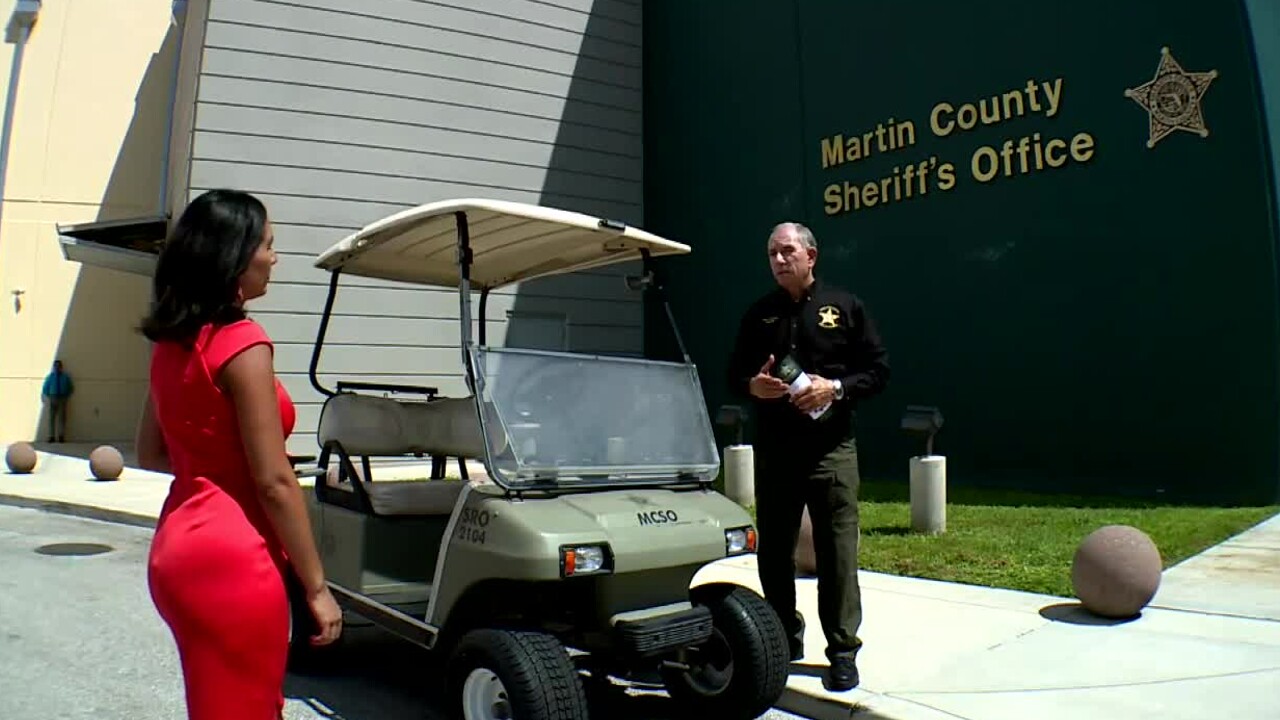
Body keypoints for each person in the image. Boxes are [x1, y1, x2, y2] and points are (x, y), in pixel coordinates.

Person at [134, 189, 342, 719]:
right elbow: (274, 482)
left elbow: (150, 452)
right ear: (235, 255)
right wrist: (317, 587)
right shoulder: (243, 344)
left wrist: (215, 464)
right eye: (267, 245)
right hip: (234, 560)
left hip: (177, 552)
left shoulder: (171, 343)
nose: (274, 257)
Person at [726, 221, 890, 692]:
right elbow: (734, 374)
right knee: (775, 554)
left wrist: (834, 388)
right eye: (772, 254)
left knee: (837, 554)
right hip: (777, 452)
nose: (778, 260)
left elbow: (878, 371)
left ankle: (842, 651)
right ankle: (782, 638)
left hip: (831, 451)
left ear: (810, 256)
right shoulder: (759, 315)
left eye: (787, 252)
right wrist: (751, 386)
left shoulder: (846, 307)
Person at [41, 359, 74, 442]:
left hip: (62, 398)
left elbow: (71, 387)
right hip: (53, 397)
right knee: (52, 418)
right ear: (53, 367)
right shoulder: (50, 377)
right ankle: (51, 436)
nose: (57, 368)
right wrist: (49, 395)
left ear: (61, 367)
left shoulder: (65, 377)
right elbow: (45, 388)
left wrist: (66, 395)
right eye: (56, 366)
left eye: (59, 366)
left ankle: (61, 436)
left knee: (62, 418)